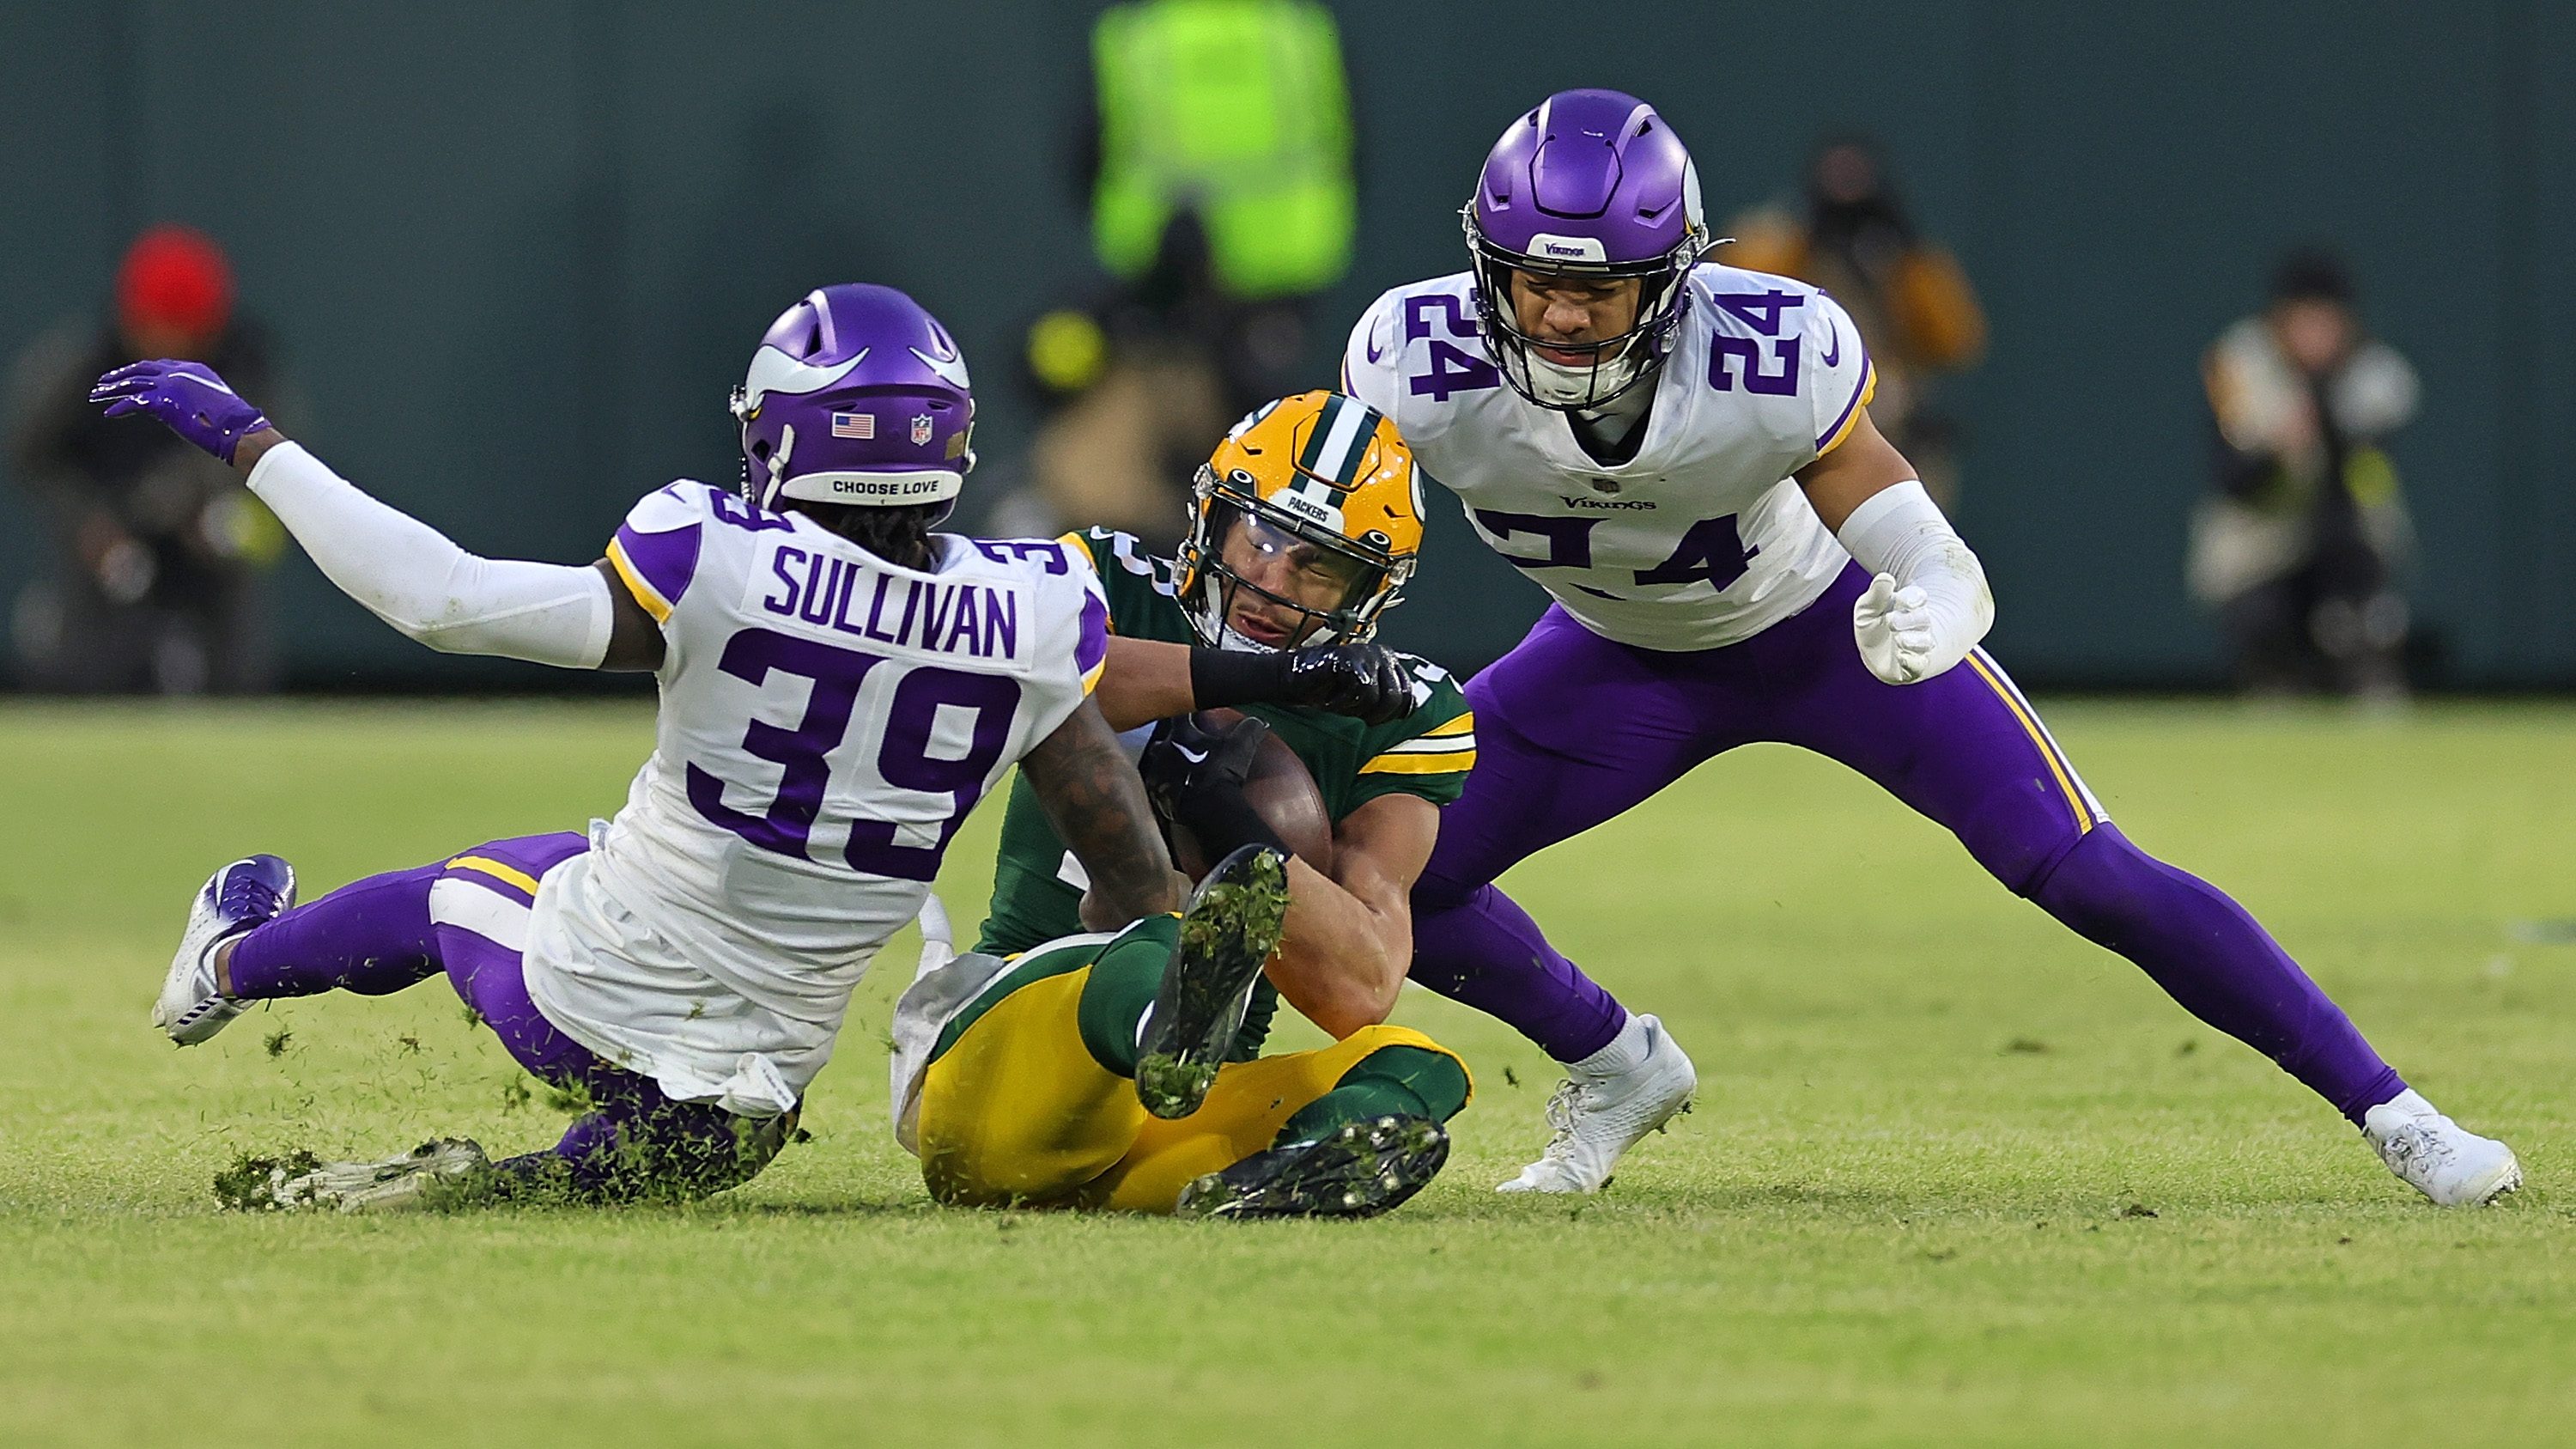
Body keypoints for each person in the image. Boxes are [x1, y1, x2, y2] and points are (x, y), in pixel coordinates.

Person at [1340, 89, 2518, 1207]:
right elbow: (1325, 512)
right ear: (1490, 267)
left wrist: (1941, 591)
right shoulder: (1416, 359)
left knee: (2087, 870)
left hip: (1822, 627)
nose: (1561, 314)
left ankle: (2397, 1110)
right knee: (1387, 867)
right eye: (1539, 279)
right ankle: (1618, 1059)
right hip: (1611, 654)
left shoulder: (1764, 350)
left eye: (1603, 288)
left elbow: (1906, 523)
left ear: (1675, 277)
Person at [100, 284, 1235, 1211]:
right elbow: (1130, 873)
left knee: (453, 894)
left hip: (593, 1000)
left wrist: (252, 443)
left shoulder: (716, 556)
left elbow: (439, 598)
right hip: (763, 1098)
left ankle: (222, 960)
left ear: (786, 432)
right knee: (639, 1005)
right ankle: (499, 1187)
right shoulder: (1030, 605)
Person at [890, 392, 1476, 1217]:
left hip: (1176, 1116)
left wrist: (1232, 825)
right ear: (1213, 518)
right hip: (1005, 1066)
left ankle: (1250, 1187)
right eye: (1263, 537)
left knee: (1418, 1064)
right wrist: (1265, 681)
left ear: (1369, 593)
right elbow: (1042, 668)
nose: (1273, 582)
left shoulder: (1404, 711)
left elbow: (1362, 985)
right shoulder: (1104, 580)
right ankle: (1152, 1016)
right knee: (1149, 935)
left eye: (1320, 565)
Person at [9, 225, 288, 692]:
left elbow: (277, 454)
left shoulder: (245, 367)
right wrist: (87, 524)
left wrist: (205, 498)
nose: (171, 346)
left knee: (233, 672)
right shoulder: (83, 370)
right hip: (113, 546)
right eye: (157, 329)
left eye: (186, 332)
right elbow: (34, 456)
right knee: (87, 674)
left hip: (210, 550)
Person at [2191, 248, 2418, 698]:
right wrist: (2276, 449)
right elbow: (2233, 480)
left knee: (2362, 610)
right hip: (2263, 545)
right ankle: (2273, 689)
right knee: (2263, 620)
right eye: (2304, 319)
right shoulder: (2241, 363)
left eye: (2327, 320)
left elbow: (2364, 481)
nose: (2316, 333)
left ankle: (2371, 689)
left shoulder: (2373, 373)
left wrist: (2331, 425)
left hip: (2345, 542)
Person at [1725, 137, 1985, 508]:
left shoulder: (1894, 258)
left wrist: (1906, 256)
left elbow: (1957, 342)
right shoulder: (1783, 243)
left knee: (1909, 549)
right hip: (1792, 435)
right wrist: (1804, 241)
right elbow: (1735, 310)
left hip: (1894, 435)